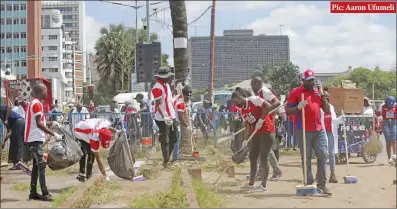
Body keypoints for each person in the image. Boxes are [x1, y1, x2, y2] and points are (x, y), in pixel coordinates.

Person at [286, 69, 332, 196]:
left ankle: (322, 185)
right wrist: (297, 107)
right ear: (303, 81)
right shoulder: (296, 93)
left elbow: (327, 110)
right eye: (309, 81)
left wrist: (322, 94)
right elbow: (288, 111)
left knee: (323, 155)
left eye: (313, 80)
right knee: (305, 158)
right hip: (303, 129)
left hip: (318, 129)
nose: (312, 83)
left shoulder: (318, 92)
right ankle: (309, 183)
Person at [25, 83, 62, 201]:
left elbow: (41, 122)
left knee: (37, 165)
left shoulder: (36, 103)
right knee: (41, 164)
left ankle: (33, 192)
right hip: (34, 139)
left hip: (34, 138)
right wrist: (54, 134)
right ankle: (44, 193)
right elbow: (38, 123)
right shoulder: (37, 104)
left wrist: (52, 124)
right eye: (46, 90)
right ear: (41, 91)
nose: (47, 93)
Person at [231, 88, 273, 193]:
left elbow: (268, 106)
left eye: (237, 101)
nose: (237, 104)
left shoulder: (253, 100)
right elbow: (247, 126)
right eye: (235, 103)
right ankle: (251, 183)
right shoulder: (243, 111)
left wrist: (262, 119)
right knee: (252, 157)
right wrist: (245, 140)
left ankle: (263, 186)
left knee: (264, 158)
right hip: (256, 133)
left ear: (241, 97)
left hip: (267, 131)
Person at [250, 77, 283, 181]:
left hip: (267, 123)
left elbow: (277, 102)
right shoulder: (257, 94)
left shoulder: (264, 91)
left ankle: (275, 170)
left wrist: (267, 113)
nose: (251, 86)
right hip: (260, 124)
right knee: (262, 149)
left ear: (257, 83)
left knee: (265, 150)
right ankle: (263, 171)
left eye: (252, 84)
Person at [151, 67, 178, 167]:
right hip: (162, 118)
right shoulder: (157, 87)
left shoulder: (166, 85)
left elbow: (169, 100)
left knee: (174, 137)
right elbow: (159, 105)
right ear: (163, 77)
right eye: (168, 76)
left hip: (171, 115)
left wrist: (176, 92)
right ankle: (166, 161)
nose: (169, 78)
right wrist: (165, 117)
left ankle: (167, 158)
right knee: (165, 140)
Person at [319, 88, 339, 183]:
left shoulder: (331, 107)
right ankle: (320, 174)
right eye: (325, 97)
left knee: (331, 154)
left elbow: (333, 120)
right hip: (321, 133)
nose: (326, 99)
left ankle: (333, 174)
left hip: (330, 132)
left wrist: (340, 120)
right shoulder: (319, 107)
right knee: (322, 154)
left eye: (328, 97)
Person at [0, 103, 25, 169]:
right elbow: (8, 131)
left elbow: (9, 107)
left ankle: (18, 164)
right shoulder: (2, 117)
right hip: (17, 124)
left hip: (19, 122)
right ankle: (16, 164)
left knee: (17, 142)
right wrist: (3, 141)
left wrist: (6, 119)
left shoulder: (1, 109)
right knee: (13, 142)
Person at [172, 85, 192, 160]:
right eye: (187, 97)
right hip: (176, 122)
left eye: (189, 97)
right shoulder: (181, 103)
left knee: (175, 140)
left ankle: (175, 156)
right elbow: (180, 116)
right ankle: (175, 157)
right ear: (183, 95)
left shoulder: (177, 97)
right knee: (177, 140)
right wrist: (186, 125)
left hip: (173, 120)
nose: (188, 99)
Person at [380, 96, 397, 164]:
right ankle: (389, 158)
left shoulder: (396, 105)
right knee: (388, 141)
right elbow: (378, 114)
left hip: (393, 123)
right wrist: (375, 112)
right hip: (386, 123)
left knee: (394, 140)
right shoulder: (382, 106)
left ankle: (395, 156)